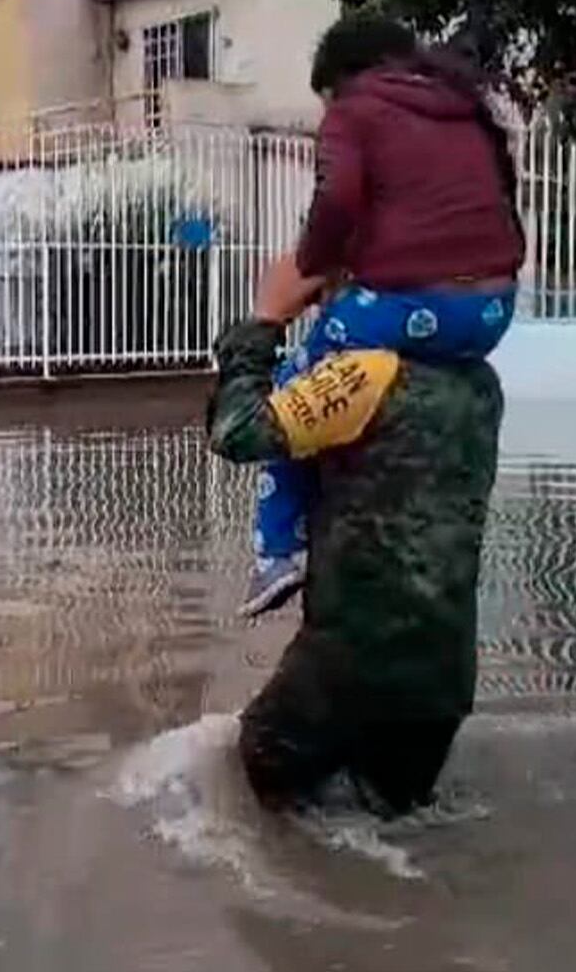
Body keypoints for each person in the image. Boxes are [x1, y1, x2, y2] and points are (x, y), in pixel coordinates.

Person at [240, 13, 526, 617]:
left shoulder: (356, 109)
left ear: (342, 78)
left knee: (295, 382)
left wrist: (307, 270)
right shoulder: (465, 111)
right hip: (491, 313)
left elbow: (339, 197)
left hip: (413, 308)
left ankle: (275, 552)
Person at [207, 253, 503, 818]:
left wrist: (266, 319)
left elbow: (238, 431)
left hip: (350, 666)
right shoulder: (481, 386)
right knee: (395, 824)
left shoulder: (365, 375)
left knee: (260, 779)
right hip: (444, 678)